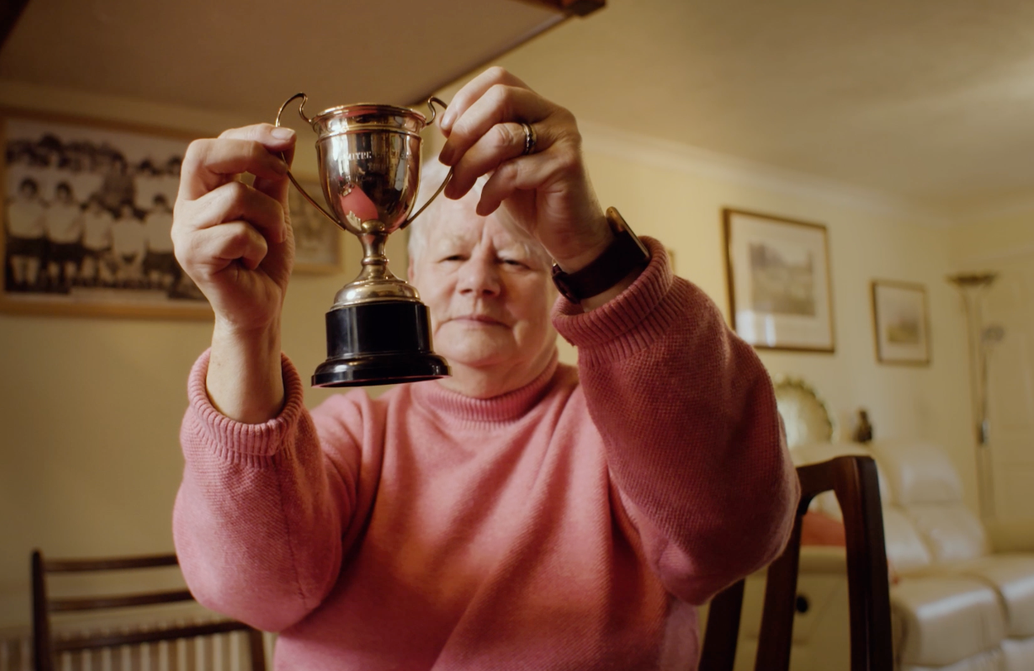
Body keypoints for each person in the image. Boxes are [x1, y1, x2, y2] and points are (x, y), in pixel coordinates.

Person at [170, 67, 799, 670]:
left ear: (559, 285)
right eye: (450, 257)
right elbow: (253, 593)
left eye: (517, 263)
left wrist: (593, 251)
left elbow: (734, 536)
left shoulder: (621, 426)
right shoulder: (353, 433)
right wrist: (245, 331)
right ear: (411, 278)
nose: (478, 284)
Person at [5, 178, 46, 290]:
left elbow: (44, 224)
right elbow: (8, 223)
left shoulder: (40, 208)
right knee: (18, 275)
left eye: (30, 190)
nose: (28, 193)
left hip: (34, 239)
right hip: (18, 238)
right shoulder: (12, 206)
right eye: (25, 190)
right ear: (21, 190)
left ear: (34, 192)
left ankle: (31, 289)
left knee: (31, 277)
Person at [44, 182, 84, 289]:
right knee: (53, 265)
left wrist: (73, 237)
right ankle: (54, 283)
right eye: (61, 195)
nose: (63, 197)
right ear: (57, 195)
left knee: (70, 265)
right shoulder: (51, 209)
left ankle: (68, 284)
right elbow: (47, 224)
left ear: (69, 195)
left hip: (70, 241)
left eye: (65, 195)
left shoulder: (75, 209)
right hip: (55, 240)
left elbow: (79, 226)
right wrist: (53, 237)